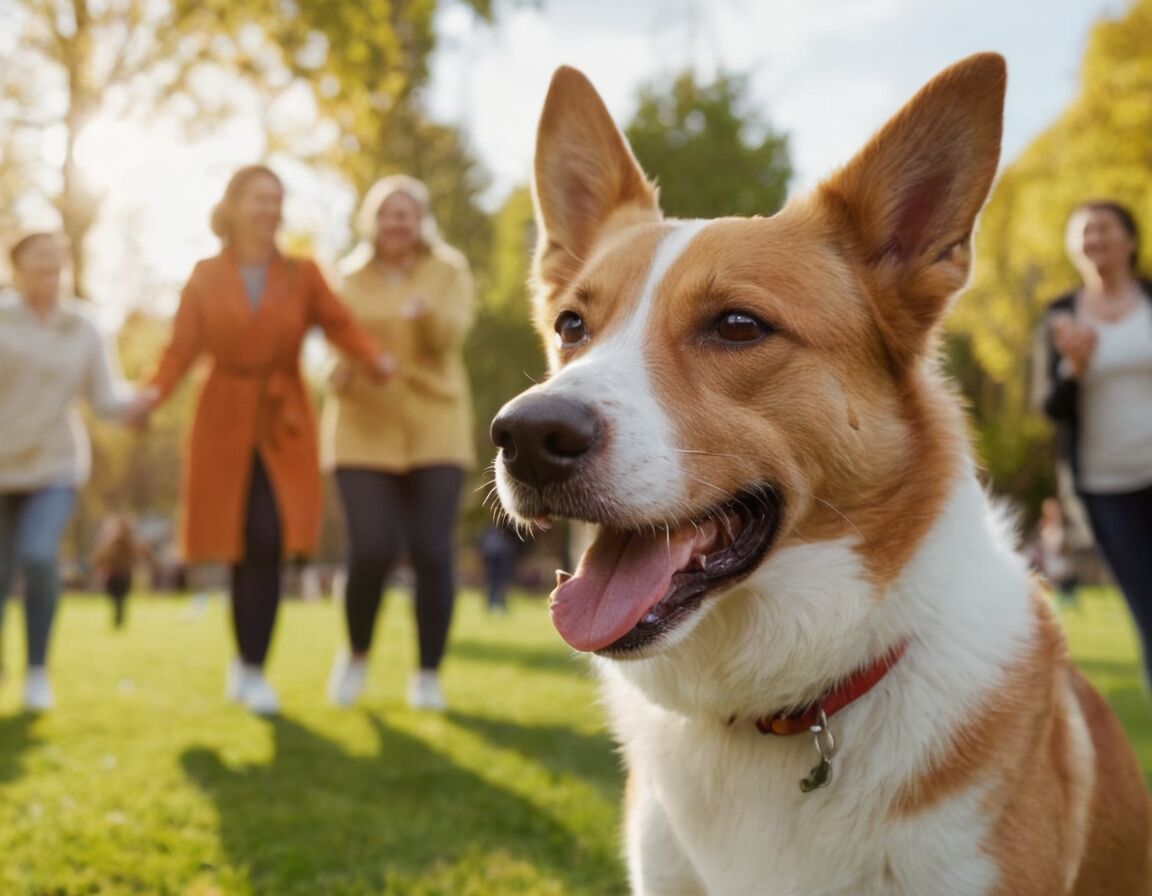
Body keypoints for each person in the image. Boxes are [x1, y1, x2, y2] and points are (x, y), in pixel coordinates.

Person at [127, 165, 394, 715]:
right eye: (259, 198)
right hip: (223, 416)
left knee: (269, 540)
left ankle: (252, 668)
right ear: (233, 206)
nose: (270, 208)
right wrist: (151, 395)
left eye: (277, 199)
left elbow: (340, 324)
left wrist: (374, 358)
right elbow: (180, 351)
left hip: (283, 417)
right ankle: (246, 662)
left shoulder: (301, 273)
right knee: (237, 543)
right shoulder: (205, 275)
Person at [321, 175, 475, 710]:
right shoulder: (347, 277)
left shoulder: (447, 271)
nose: (397, 222)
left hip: (435, 424)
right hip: (362, 427)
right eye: (387, 213)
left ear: (421, 221)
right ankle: (356, 655)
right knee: (371, 550)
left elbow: (450, 338)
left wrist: (424, 313)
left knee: (433, 553)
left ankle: (427, 674)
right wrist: (338, 372)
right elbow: (334, 343)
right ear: (372, 222)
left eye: (406, 213)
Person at [0, 232, 136, 709]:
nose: (49, 273)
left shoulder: (83, 326)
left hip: (56, 465)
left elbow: (104, 397)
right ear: (16, 268)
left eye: (56, 264)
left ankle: (37, 672)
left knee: (38, 557)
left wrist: (144, 399)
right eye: (38, 264)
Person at [1038, 199, 1152, 684]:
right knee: (1147, 606)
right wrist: (1074, 371)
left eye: (1104, 228)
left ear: (1130, 240)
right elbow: (1049, 406)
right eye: (1083, 232)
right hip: (1107, 489)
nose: (1094, 240)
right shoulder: (1060, 315)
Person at [91, 512, 149, 628]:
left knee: (119, 599)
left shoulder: (122, 541)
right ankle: (119, 619)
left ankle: (119, 619)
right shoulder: (121, 541)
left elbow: (103, 555)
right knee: (118, 599)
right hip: (117, 574)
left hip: (121, 574)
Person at [1026, 497, 1078, 607]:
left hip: (1063, 560)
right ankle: (1057, 602)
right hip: (1050, 559)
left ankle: (1069, 601)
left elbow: (1071, 542)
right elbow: (1037, 543)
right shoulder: (1042, 525)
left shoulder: (1064, 524)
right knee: (1052, 584)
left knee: (1065, 582)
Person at [479, 522, 518, 614]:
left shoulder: (502, 533)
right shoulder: (493, 533)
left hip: (500, 561)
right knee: (493, 583)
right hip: (493, 562)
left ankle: (500, 605)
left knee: (500, 584)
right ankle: (492, 605)